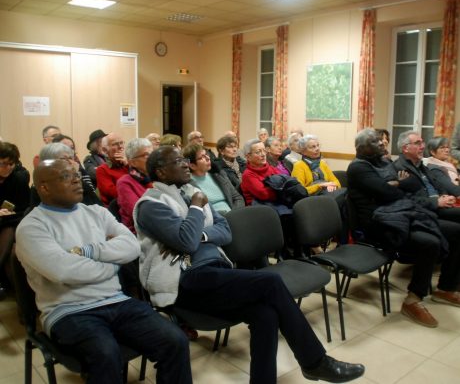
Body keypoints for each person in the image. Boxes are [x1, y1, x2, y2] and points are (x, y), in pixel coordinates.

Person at [133, 145, 365, 384]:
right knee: (271, 282)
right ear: (160, 173)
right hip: (182, 281)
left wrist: (201, 235)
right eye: (178, 160)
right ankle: (315, 362)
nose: (185, 164)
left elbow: (225, 231)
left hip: (214, 273)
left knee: (264, 313)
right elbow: (185, 241)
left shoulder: (192, 191)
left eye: (184, 159)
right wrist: (195, 209)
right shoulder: (152, 205)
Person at [16, 159, 192, 384]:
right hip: (68, 310)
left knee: (175, 340)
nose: (77, 180)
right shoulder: (32, 226)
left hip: (117, 301)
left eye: (77, 175)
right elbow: (63, 271)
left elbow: (131, 246)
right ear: (44, 187)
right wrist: (112, 264)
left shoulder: (96, 212)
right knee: (106, 354)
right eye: (65, 177)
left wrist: (87, 252)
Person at [347, 128, 460, 328]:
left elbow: (405, 188)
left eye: (382, 141)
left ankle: (446, 288)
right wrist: (396, 184)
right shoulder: (358, 167)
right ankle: (412, 301)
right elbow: (390, 193)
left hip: (401, 213)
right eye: (376, 142)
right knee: (430, 242)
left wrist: (396, 184)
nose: (382, 144)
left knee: (457, 231)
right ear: (362, 147)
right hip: (380, 223)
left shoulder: (383, 162)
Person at [0, 142, 30, 299]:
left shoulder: (18, 179)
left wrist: (7, 214)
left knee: (9, 232)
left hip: (12, 222)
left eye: (12, 164)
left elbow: (24, 208)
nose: (8, 167)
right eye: (3, 164)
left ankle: (24, 305)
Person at [31, 143, 101, 207]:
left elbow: (96, 205)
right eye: (64, 159)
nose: (71, 162)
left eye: (71, 158)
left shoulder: (80, 182)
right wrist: (73, 174)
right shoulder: (43, 185)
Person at [182, 143, 244, 214]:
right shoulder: (188, 185)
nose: (208, 158)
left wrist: (234, 214)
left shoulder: (218, 174)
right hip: (216, 221)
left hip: (233, 214)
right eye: (202, 157)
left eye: (206, 154)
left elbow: (237, 197)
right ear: (192, 166)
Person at [117, 138, 153, 234]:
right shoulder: (125, 183)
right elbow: (138, 213)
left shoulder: (157, 177)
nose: (152, 158)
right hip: (139, 234)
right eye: (146, 155)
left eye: (152, 154)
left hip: (160, 228)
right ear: (132, 162)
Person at [240, 139, 279, 206]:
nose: (263, 154)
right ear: (248, 157)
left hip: (276, 202)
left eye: (264, 150)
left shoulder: (271, 168)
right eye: (258, 152)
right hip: (260, 208)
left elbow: (284, 182)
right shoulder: (247, 174)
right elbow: (263, 194)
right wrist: (280, 190)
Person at [96, 133, 129, 207]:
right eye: (115, 144)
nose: (120, 147)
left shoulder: (129, 165)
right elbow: (114, 194)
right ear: (105, 150)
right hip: (117, 209)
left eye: (121, 143)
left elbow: (144, 183)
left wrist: (128, 165)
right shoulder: (102, 170)